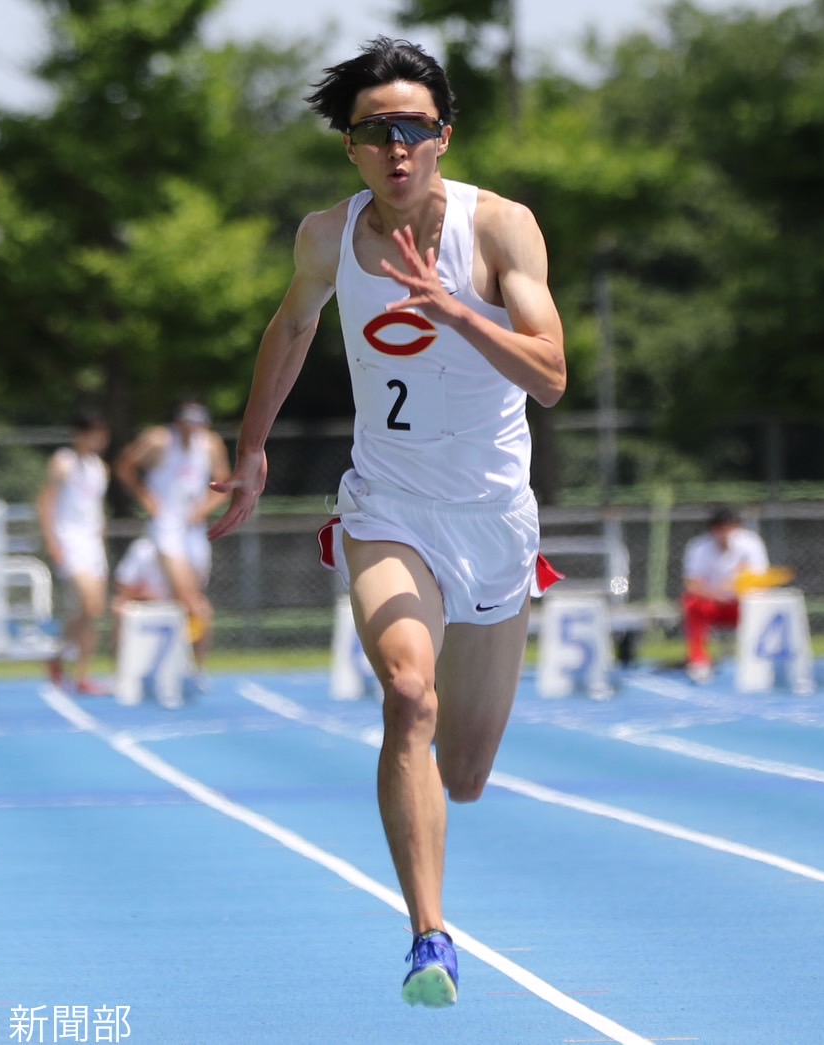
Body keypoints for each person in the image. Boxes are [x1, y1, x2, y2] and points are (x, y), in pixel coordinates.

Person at [207, 36, 566, 1008]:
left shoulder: (502, 233)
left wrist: (456, 310)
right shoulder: (328, 236)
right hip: (388, 507)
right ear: (352, 148)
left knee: (467, 770)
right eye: (375, 132)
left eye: (413, 128)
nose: (396, 148)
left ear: (443, 135)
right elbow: (289, 328)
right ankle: (429, 937)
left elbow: (551, 374)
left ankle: (441, 827)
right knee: (408, 692)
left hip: (493, 519)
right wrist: (251, 449)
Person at [117, 398, 231, 672]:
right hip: (166, 527)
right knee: (191, 601)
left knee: (194, 602)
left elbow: (224, 483)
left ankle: (191, 664)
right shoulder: (159, 440)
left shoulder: (210, 443)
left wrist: (203, 508)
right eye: (187, 425)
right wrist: (146, 499)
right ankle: (185, 664)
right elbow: (125, 466)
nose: (192, 431)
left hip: (192, 529)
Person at [37, 410, 111, 695]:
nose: (99, 441)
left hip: (92, 544)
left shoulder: (99, 467)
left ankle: (79, 671)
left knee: (92, 612)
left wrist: (101, 534)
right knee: (90, 605)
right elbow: (46, 502)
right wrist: (52, 541)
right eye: (94, 435)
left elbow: (96, 506)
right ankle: (62, 655)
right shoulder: (63, 462)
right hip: (69, 540)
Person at [680, 505, 769, 682]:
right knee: (691, 604)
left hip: (743, 605)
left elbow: (759, 582)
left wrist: (739, 590)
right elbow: (692, 585)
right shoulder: (699, 548)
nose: (725, 532)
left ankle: (760, 660)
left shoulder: (751, 544)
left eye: (729, 527)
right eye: (720, 527)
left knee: (760, 604)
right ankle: (699, 662)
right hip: (713, 605)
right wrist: (717, 594)